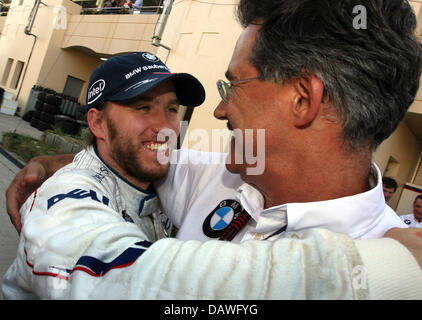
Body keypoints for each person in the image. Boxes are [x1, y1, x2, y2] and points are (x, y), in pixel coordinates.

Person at [4, 0, 422, 299]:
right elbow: (125, 160)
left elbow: (119, 281)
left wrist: (379, 275)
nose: (220, 109)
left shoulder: (392, 259)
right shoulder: (218, 174)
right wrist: (52, 165)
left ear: (302, 99)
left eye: (234, 84)